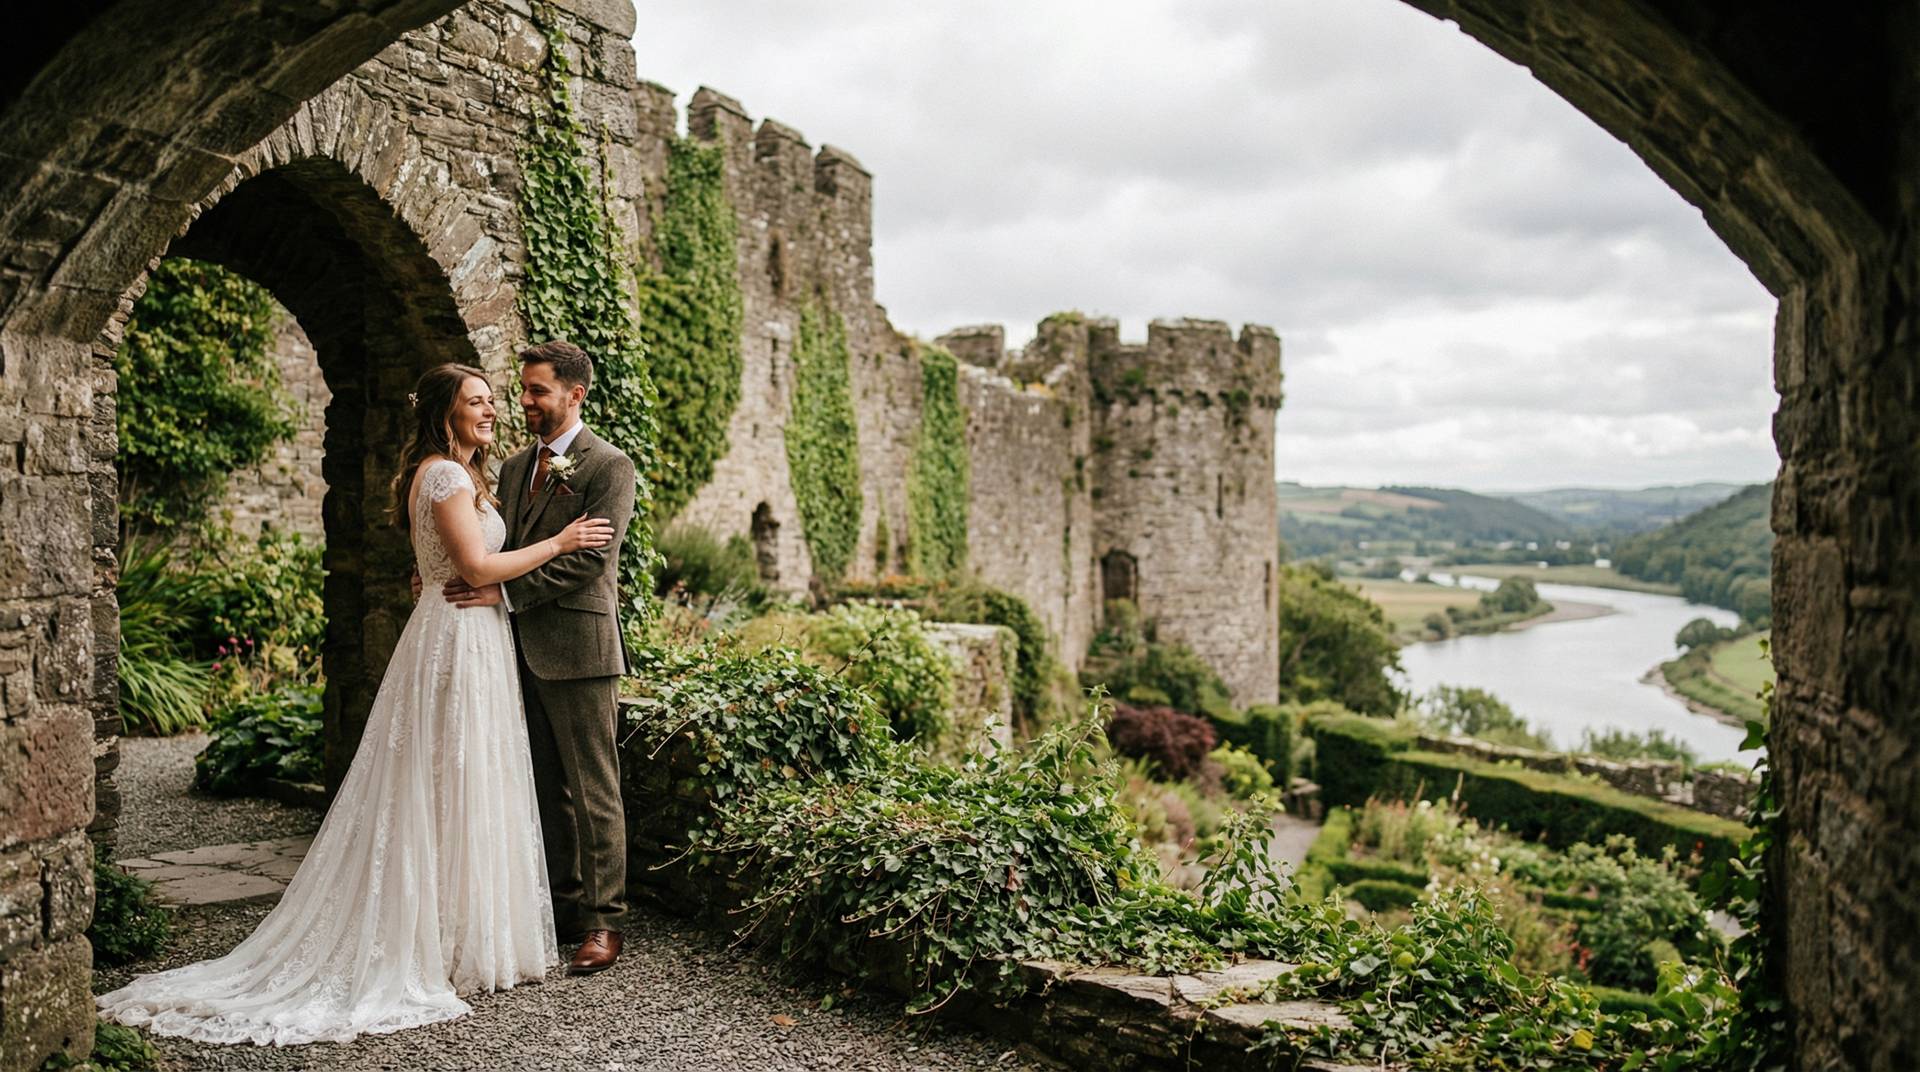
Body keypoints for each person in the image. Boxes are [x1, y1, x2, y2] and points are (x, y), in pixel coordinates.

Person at [98, 363, 614, 1045]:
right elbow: (478, 569)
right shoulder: (445, 475)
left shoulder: (477, 475)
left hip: (477, 636)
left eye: (496, 399)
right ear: (444, 412)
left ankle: (464, 932)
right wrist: (561, 539)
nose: (495, 410)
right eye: (479, 401)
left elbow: (450, 562)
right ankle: (432, 938)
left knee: (468, 780)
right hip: (458, 638)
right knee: (444, 779)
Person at [440, 340, 637, 975]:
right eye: (521, 389)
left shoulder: (608, 466)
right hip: (509, 648)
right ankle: (558, 907)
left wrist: (502, 592)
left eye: (537, 391)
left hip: (579, 649)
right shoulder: (515, 464)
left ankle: (604, 925)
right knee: (540, 788)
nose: (523, 401)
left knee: (593, 789)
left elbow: (588, 562)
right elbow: (496, 541)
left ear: (575, 394)